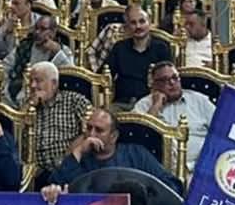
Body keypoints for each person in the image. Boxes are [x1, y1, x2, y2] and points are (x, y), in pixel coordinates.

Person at [48, 108, 182, 195]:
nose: (91, 135)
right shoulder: (81, 157)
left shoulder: (136, 154)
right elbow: (55, 184)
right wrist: (78, 151)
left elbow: (171, 186)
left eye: (99, 130)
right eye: (89, 128)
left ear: (113, 136)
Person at [132, 61, 213, 172]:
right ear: (154, 85)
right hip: (159, 171)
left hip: (201, 168)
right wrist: (156, 105)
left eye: (175, 78)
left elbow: (222, 130)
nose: (172, 82)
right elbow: (140, 137)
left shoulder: (199, 100)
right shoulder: (144, 105)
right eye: (164, 80)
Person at [26, 63, 93, 181]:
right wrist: (29, 108)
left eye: (38, 81)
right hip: (35, 173)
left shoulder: (75, 101)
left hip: (68, 170)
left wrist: (70, 155)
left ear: (54, 84)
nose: (33, 85)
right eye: (31, 81)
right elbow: (18, 138)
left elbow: (92, 130)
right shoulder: (27, 106)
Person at [104, 4, 172, 105]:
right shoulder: (119, 47)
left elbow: (168, 79)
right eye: (133, 23)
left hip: (151, 103)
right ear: (127, 26)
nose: (138, 26)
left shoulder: (161, 48)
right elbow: (105, 75)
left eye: (142, 21)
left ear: (149, 22)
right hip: (122, 104)